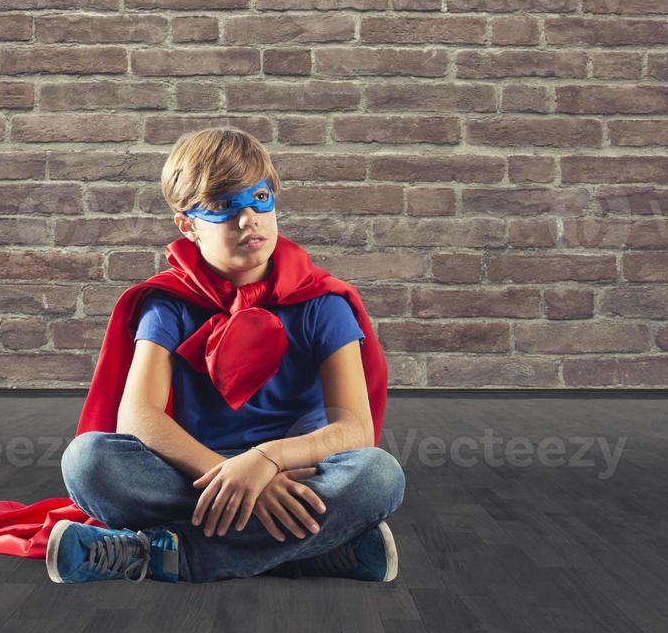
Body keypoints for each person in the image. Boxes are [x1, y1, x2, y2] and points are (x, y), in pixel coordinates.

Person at [47, 128, 406, 584]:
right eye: (222, 208)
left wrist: (266, 461)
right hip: (197, 474)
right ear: (187, 224)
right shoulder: (171, 304)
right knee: (87, 462)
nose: (248, 219)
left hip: (296, 470)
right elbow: (137, 416)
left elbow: (354, 428)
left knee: (378, 474)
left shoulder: (322, 303)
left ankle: (155, 555)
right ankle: (316, 552)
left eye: (259, 198)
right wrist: (230, 474)